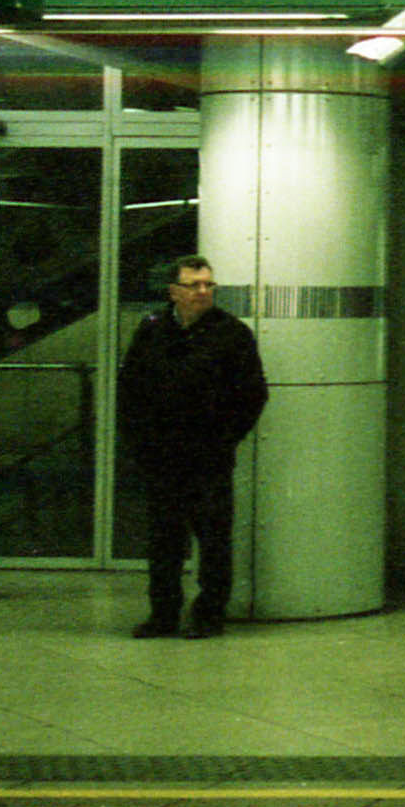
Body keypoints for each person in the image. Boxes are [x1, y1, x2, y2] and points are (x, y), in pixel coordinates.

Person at [115, 256, 268, 640]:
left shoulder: (232, 335)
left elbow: (253, 395)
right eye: (193, 285)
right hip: (162, 458)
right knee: (164, 540)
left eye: (208, 285)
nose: (203, 292)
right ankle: (163, 614)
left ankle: (209, 615)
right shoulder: (151, 331)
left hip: (209, 459)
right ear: (174, 292)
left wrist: (223, 438)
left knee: (214, 541)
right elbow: (130, 389)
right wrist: (140, 442)